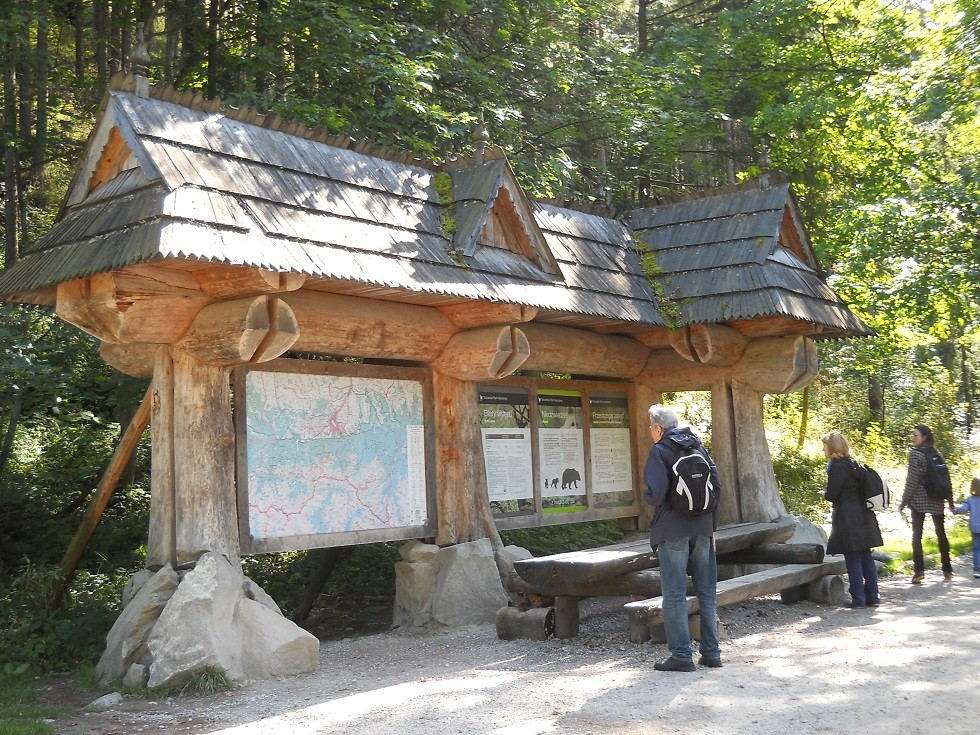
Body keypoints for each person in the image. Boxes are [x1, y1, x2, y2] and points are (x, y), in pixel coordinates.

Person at [643, 404, 722, 672]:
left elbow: (657, 492)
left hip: (673, 531)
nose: (651, 433)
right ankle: (712, 653)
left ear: (658, 429)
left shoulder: (660, 450)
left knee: (675, 594)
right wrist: (712, 526)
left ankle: (681, 656)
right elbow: (716, 486)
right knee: (707, 592)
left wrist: (648, 496)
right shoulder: (698, 446)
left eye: (651, 428)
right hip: (702, 528)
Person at [822, 431, 883, 607]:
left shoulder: (837, 467)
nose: (823, 450)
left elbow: (833, 494)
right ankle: (873, 596)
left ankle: (858, 598)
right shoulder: (854, 464)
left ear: (832, 448)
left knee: (853, 557)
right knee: (866, 556)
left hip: (849, 517)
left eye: (824, 447)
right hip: (864, 515)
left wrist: (825, 494)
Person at [897, 424, 956, 583]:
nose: (913, 437)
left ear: (923, 437)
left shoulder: (917, 455)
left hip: (920, 500)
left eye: (915, 435)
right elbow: (946, 478)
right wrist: (950, 500)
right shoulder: (937, 453)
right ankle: (947, 569)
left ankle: (919, 571)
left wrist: (903, 502)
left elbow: (912, 481)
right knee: (941, 533)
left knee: (917, 535)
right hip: (937, 498)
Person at [952, 477, 980, 579]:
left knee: (977, 549)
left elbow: (963, 509)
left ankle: (977, 569)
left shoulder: (970, 499)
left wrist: (954, 510)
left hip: (975, 528)